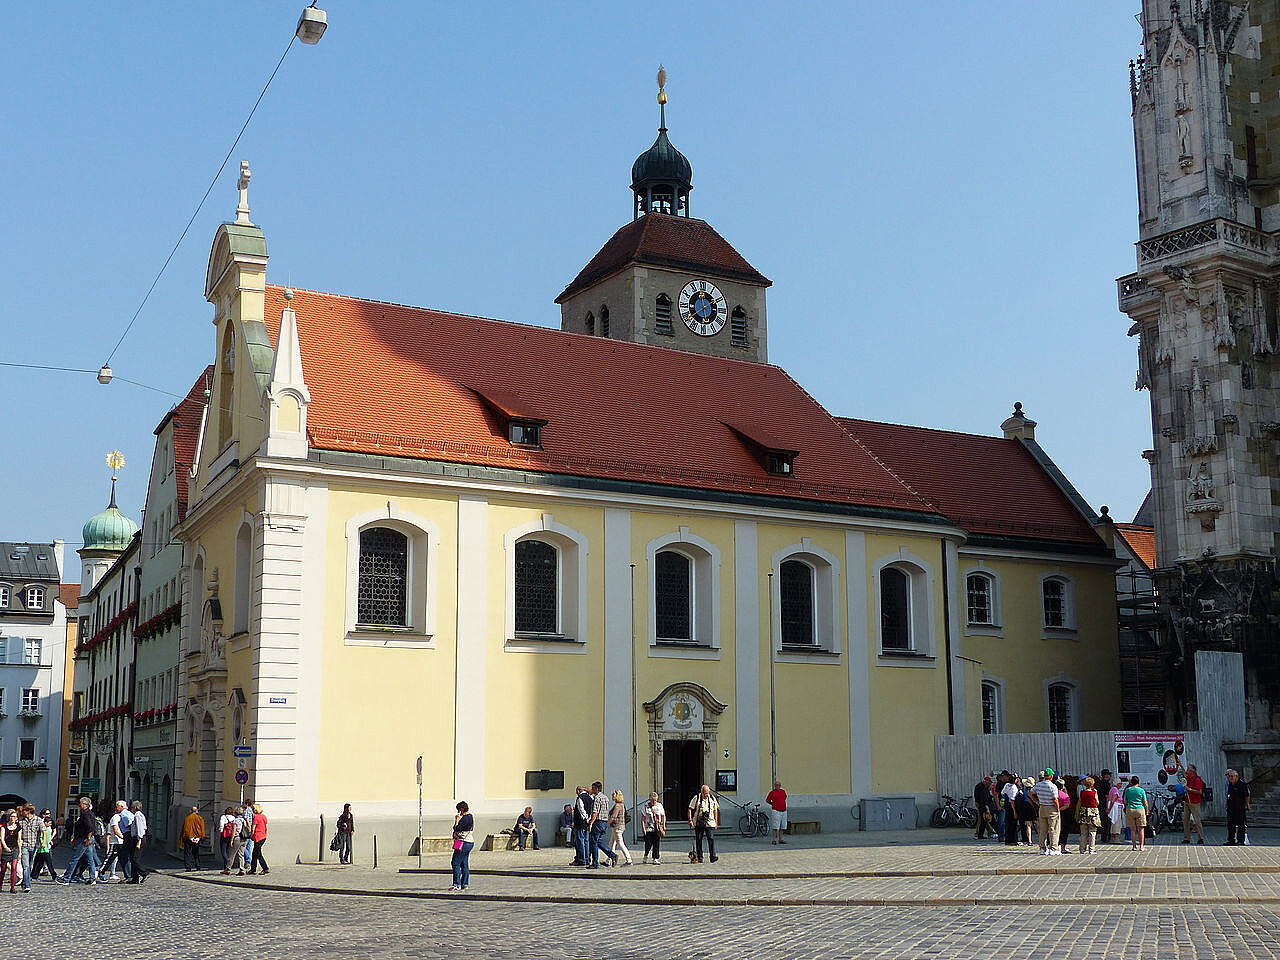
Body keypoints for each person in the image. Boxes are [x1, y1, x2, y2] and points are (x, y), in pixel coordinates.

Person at [57, 797, 101, 885]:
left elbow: (89, 827)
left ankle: (66, 878)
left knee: (75, 859)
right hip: (87, 838)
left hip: (84, 839)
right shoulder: (90, 813)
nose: (79, 805)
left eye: (80, 803)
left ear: (85, 805)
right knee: (90, 859)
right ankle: (92, 878)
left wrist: (87, 838)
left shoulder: (85, 814)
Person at [586, 781, 616, 868]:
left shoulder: (597, 798)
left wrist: (591, 823)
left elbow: (595, 812)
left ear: (596, 789)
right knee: (599, 841)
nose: (592, 790)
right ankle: (612, 855)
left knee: (594, 842)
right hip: (604, 822)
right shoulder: (605, 798)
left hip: (598, 822)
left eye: (593, 788)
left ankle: (595, 863)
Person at [687, 784, 720, 864]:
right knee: (699, 840)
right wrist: (690, 820)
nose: (706, 795)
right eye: (704, 793)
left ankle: (713, 856)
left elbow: (715, 810)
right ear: (701, 792)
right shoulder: (697, 798)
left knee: (711, 839)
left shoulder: (712, 798)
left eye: (707, 793)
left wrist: (716, 821)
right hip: (699, 822)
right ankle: (699, 857)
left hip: (710, 822)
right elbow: (690, 809)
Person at [102, 800, 132, 882]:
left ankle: (128, 876)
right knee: (109, 859)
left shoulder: (123, 816)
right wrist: (124, 837)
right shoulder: (115, 817)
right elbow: (116, 830)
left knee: (124, 859)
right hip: (115, 842)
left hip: (121, 842)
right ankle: (101, 872)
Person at [450, 801, 474, 891]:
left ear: (462, 809)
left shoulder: (465, 818)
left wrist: (456, 820)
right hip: (469, 842)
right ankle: (465, 884)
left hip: (463, 842)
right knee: (464, 863)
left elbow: (457, 828)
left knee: (455, 863)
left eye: (459, 810)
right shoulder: (471, 816)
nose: (459, 812)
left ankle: (457, 884)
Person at [29, 810, 57, 883]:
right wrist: (43, 844)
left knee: (39, 863)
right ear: (45, 823)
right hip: (44, 849)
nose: (50, 825)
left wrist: (50, 840)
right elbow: (41, 838)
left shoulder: (48, 829)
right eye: (49, 823)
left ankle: (34, 875)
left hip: (44, 848)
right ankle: (54, 876)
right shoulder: (43, 829)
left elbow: (48, 837)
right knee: (49, 863)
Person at [125, 800, 149, 884]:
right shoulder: (138, 815)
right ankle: (135, 878)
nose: (131, 809)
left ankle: (144, 873)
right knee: (132, 858)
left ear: (135, 808)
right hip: (136, 838)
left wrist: (139, 841)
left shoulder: (138, 816)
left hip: (138, 839)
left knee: (135, 858)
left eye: (132, 807)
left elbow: (140, 829)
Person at [1225, 768, 1251, 845]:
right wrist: (1226, 804)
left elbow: (1247, 795)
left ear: (1236, 776)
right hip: (1231, 808)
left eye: (1231, 776)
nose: (1230, 778)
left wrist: (1247, 804)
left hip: (1240, 807)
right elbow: (1228, 795)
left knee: (1241, 825)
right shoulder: (1230, 784)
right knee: (1230, 824)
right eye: (1229, 776)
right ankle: (1231, 840)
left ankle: (1240, 840)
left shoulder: (1242, 784)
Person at [1182, 764, 1206, 845]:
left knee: (1197, 820)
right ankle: (1186, 838)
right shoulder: (1188, 777)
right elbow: (1183, 773)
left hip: (1195, 802)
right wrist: (1180, 764)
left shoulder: (1197, 779)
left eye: (1188, 769)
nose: (1187, 771)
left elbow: (1199, 792)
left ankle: (1201, 838)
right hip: (1187, 801)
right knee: (1185, 820)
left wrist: (1189, 789)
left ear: (1192, 771)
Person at [607, 790, 633, 866]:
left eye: (613, 795)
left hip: (617, 827)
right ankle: (609, 860)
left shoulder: (617, 806)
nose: (612, 797)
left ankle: (629, 860)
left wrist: (606, 823)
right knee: (611, 844)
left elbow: (613, 817)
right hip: (620, 826)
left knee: (620, 843)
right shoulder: (622, 805)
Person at [1123, 776, 1149, 851]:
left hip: (1130, 809)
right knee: (1141, 829)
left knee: (1133, 830)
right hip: (1140, 809)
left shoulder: (1128, 790)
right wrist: (1147, 810)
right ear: (1138, 782)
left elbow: (1125, 801)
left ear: (1131, 782)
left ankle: (1134, 846)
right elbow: (1145, 802)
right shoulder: (1141, 790)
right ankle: (1141, 846)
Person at [1076, 776, 1100, 854]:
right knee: (1092, 832)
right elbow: (1097, 802)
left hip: (1083, 812)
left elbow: (1080, 800)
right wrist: (1096, 793)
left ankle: (1082, 849)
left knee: (1083, 832)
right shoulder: (1094, 793)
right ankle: (1091, 849)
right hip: (1092, 812)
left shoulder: (1082, 792)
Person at [640, 792, 666, 864]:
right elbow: (643, 818)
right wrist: (643, 828)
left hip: (657, 827)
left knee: (656, 843)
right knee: (648, 843)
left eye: (655, 800)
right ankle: (646, 855)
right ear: (650, 799)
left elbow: (663, 815)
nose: (654, 802)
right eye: (652, 800)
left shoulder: (659, 806)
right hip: (648, 828)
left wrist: (663, 825)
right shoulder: (645, 806)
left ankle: (655, 858)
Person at [571, 786, 591, 866]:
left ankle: (582, 859)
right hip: (587, 822)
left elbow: (581, 809)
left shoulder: (580, 798)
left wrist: (585, 817)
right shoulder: (590, 798)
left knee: (580, 841)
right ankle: (587, 859)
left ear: (579, 790)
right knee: (586, 841)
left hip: (580, 822)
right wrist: (589, 818)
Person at [181, 806, 206, 870]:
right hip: (197, 837)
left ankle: (188, 867)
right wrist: (202, 836)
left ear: (190, 811)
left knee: (187, 852)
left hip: (189, 837)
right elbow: (202, 828)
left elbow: (185, 828)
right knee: (196, 852)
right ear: (196, 811)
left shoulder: (187, 818)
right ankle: (197, 865)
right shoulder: (200, 818)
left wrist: (183, 837)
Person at [223, 807, 246, 876]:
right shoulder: (243, 820)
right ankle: (242, 869)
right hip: (244, 838)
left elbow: (234, 830)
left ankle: (228, 869)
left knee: (232, 854)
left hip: (237, 838)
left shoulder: (236, 820)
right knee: (241, 855)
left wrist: (232, 839)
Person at [0, 810, 19, 892]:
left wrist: (20, 852)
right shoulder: (4, 826)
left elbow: (19, 840)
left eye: (14, 816)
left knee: (14, 868)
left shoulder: (18, 827)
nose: (12, 818)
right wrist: (5, 847)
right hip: (6, 849)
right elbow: (2, 838)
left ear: (16, 818)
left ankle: (12, 887)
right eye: (11, 816)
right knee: (3, 869)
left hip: (15, 849)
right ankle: (0, 885)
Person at [765, 780, 788, 845]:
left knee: (782, 826)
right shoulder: (772, 792)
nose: (778, 786)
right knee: (775, 826)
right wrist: (773, 804)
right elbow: (767, 800)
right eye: (777, 785)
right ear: (775, 786)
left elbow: (785, 798)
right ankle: (774, 840)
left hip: (784, 810)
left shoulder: (783, 791)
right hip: (776, 811)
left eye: (779, 785)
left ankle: (781, 839)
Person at [248, 803, 269, 875]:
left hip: (258, 837)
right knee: (254, 853)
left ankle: (265, 868)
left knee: (258, 854)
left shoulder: (256, 817)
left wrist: (251, 835)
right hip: (263, 836)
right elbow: (265, 826)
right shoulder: (263, 816)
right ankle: (253, 869)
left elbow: (253, 828)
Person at [1000, 775, 1021, 846]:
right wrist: (1015, 811)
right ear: (1015, 780)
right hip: (1012, 806)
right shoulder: (1014, 788)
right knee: (1013, 824)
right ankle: (1013, 840)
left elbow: (1002, 792)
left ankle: (1007, 840)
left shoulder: (1006, 785)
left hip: (1006, 805)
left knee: (1007, 823)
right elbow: (1012, 800)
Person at [1016, 778, 1037, 845]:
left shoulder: (1024, 790)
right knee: (1038, 824)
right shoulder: (1033, 790)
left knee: (1028, 825)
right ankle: (1041, 840)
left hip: (1026, 807)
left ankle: (1030, 841)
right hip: (1033, 807)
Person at [1096, 770, 1114, 843]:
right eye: (1109, 775)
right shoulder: (1106, 784)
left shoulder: (1100, 783)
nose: (1110, 776)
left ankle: (1104, 837)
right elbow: (1107, 796)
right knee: (1107, 822)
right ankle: (1106, 837)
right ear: (1106, 776)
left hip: (1101, 804)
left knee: (1104, 822)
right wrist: (1108, 807)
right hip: (1105, 805)